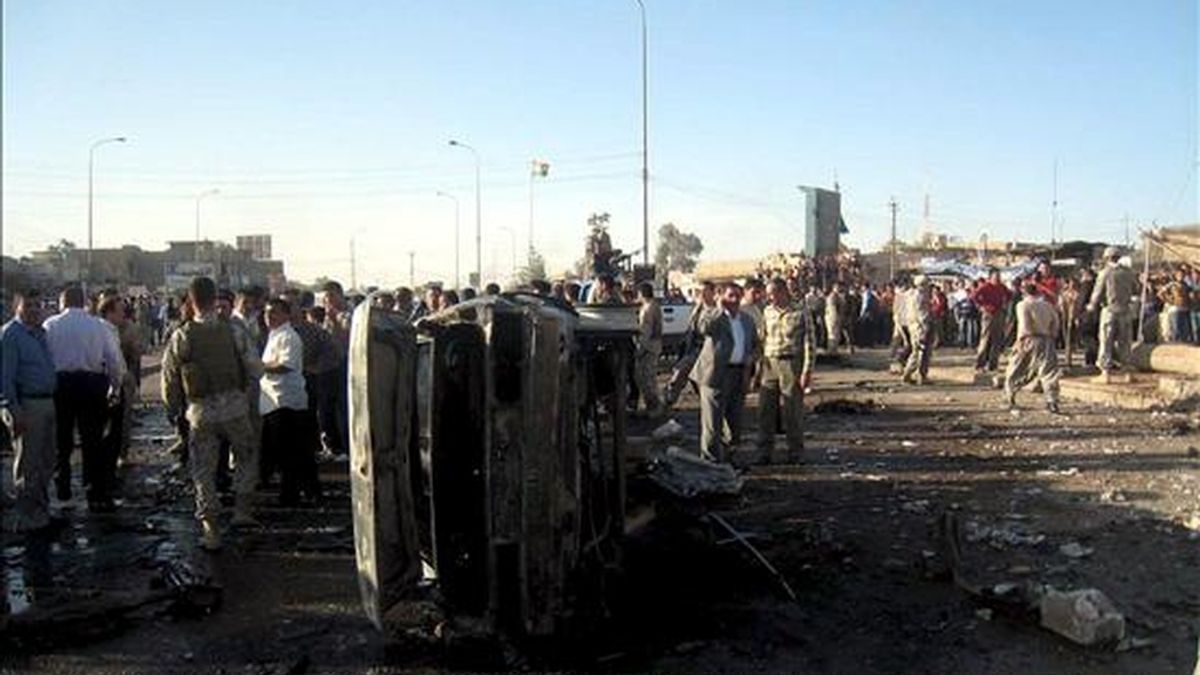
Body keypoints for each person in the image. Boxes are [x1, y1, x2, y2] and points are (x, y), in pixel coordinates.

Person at [161, 276, 263, 550]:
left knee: (203, 470)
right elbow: (256, 368)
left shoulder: (182, 334)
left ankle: (211, 529)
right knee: (245, 456)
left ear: (191, 301)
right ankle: (242, 511)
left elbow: (169, 376)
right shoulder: (233, 331)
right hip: (235, 409)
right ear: (214, 297)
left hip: (200, 413)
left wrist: (173, 409)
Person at [43, 285, 125, 511]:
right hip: (92, 385)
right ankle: (93, 488)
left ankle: (63, 485)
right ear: (83, 303)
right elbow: (114, 361)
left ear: (63, 302)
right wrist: (115, 387)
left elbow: (44, 359)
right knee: (92, 440)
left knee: (62, 439)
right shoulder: (98, 327)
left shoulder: (50, 325)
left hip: (61, 386)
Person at [2, 291, 59, 531]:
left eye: (38, 305)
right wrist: (13, 410)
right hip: (27, 404)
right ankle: (27, 517)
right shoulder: (11, 336)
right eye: (28, 306)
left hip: (47, 402)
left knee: (47, 460)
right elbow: (5, 378)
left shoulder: (39, 334)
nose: (34, 310)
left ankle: (41, 510)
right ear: (17, 307)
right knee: (28, 463)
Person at [690, 282, 758, 463]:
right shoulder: (715, 316)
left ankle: (728, 460)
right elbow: (702, 328)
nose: (734, 300)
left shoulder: (747, 320)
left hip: (738, 374)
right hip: (715, 374)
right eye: (730, 295)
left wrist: (749, 369)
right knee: (713, 424)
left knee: (735, 423)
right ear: (721, 296)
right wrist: (718, 308)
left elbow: (753, 346)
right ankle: (710, 464)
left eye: (737, 295)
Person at [260, 296, 318, 506]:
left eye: (274, 312)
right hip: (274, 401)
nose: (269, 316)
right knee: (289, 451)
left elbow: (286, 366)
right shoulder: (274, 335)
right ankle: (301, 491)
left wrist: (259, 367)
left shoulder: (288, 336)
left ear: (286, 314)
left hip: (287, 402)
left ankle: (292, 494)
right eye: (267, 312)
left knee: (291, 453)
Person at [755, 278, 814, 465]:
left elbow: (810, 342)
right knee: (766, 410)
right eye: (768, 294)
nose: (769, 298)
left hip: (791, 363)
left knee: (792, 411)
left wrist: (807, 371)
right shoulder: (766, 311)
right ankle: (764, 453)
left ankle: (796, 453)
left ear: (782, 292)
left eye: (772, 293)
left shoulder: (801, 311)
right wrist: (757, 370)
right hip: (769, 363)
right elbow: (761, 339)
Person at [1004, 282, 1063, 414]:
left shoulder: (1022, 305)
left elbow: (1024, 324)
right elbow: (1056, 323)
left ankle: (1010, 398)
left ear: (1023, 292)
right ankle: (1052, 401)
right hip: (1046, 339)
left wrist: (1020, 341)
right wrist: (1051, 336)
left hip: (1029, 339)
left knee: (1015, 369)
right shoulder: (1048, 306)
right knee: (1049, 372)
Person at [1087, 246, 1137, 381]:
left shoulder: (1104, 273)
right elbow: (1136, 289)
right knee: (1125, 342)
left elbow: (1097, 293)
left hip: (1109, 310)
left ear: (1106, 257)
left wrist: (1091, 306)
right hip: (1125, 310)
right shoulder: (1128, 272)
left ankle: (1105, 373)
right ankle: (1128, 373)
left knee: (1106, 341)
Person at [663, 281, 716, 407]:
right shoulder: (697, 309)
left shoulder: (716, 310)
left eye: (705, 291)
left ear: (712, 293)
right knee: (681, 372)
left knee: (698, 379)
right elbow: (691, 330)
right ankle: (669, 400)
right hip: (694, 349)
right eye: (700, 291)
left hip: (708, 351)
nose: (702, 294)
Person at [971, 269, 1013, 372]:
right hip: (988, 314)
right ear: (991, 277)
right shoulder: (985, 286)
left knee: (997, 340)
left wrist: (1004, 304)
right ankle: (980, 364)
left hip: (999, 313)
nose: (998, 279)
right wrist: (981, 306)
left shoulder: (1001, 286)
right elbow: (973, 296)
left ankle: (993, 364)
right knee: (985, 339)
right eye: (996, 277)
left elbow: (1009, 295)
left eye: (999, 276)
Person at [634, 282, 664, 417]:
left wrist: (640, 350)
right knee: (648, 378)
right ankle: (652, 406)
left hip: (648, 348)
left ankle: (654, 407)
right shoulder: (654, 306)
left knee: (646, 379)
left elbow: (646, 331)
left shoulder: (648, 309)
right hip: (653, 346)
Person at [902, 276, 934, 385]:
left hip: (913, 325)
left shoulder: (910, 295)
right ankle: (909, 373)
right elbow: (922, 314)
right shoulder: (920, 297)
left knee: (919, 352)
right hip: (920, 326)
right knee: (921, 352)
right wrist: (926, 327)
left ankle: (919, 375)